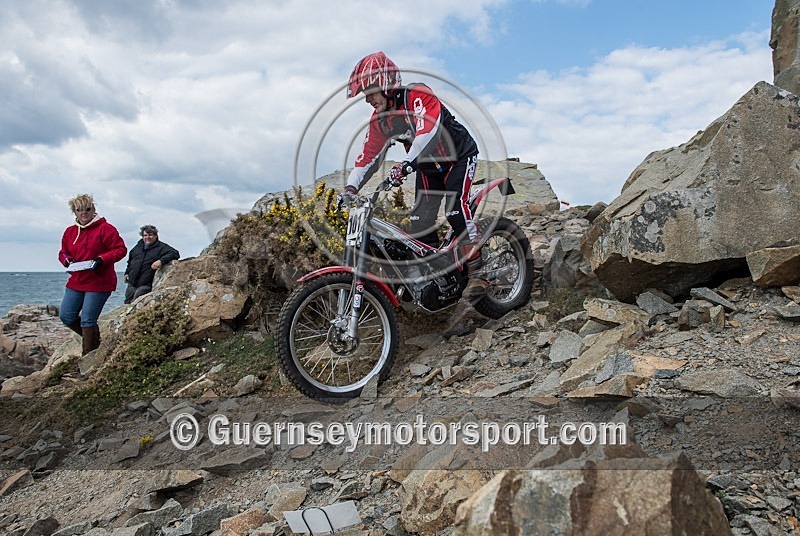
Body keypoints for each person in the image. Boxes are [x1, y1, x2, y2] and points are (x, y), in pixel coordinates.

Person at [340, 51, 488, 297]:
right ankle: (441, 278)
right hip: (428, 168)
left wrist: (405, 164)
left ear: (386, 85)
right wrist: (350, 188)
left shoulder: (418, 95)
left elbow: (427, 132)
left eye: (370, 92)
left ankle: (478, 271)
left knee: (454, 208)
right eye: (364, 95)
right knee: (419, 224)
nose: (367, 100)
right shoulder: (381, 120)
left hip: (458, 157)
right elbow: (368, 157)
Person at [58, 194, 127, 355]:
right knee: (66, 316)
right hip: (77, 280)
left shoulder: (106, 228)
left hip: (99, 282)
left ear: (93, 209)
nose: (84, 213)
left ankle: (87, 357)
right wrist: (67, 260)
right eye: (79, 210)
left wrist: (101, 259)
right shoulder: (70, 232)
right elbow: (63, 252)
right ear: (74, 212)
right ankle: (96, 342)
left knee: (88, 320)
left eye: (87, 209)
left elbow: (120, 249)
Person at [124, 225, 180, 304]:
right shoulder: (137, 247)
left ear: (155, 236)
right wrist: (126, 273)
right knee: (127, 304)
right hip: (132, 283)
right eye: (145, 235)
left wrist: (161, 261)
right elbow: (130, 261)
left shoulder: (161, 247)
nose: (147, 237)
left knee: (137, 302)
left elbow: (175, 253)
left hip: (146, 283)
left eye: (150, 235)